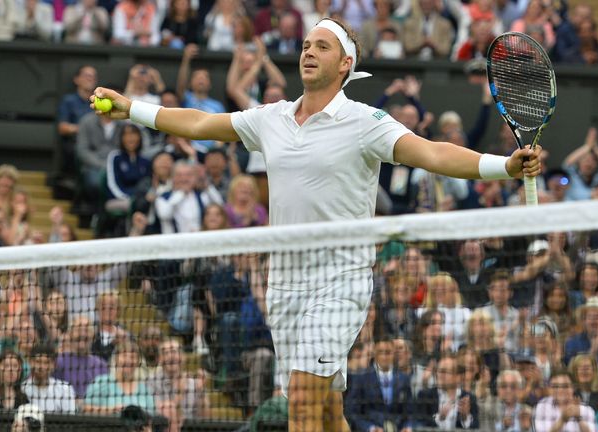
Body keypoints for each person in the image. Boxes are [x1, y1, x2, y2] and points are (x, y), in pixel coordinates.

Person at [90, 16, 541, 431]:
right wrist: (132, 109)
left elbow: (433, 152)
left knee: (301, 402)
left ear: (345, 63)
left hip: (340, 278)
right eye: (306, 44)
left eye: (321, 46)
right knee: (324, 409)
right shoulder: (272, 118)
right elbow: (202, 122)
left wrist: (504, 165)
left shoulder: (366, 122)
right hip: (284, 284)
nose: (308, 51)